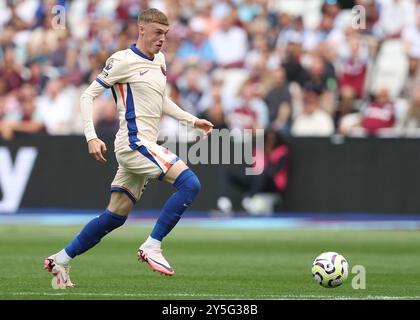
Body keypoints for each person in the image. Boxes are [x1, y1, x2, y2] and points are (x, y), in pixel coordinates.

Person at [43, 8, 213, 289]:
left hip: (144, 143)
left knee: (114, 217)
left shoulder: (159, 59)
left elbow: (161, 100)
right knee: (190, 184)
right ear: (142, 30)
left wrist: (192, 121)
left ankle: (60, 259)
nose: (162, 39)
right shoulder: (122, 60)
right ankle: (152, 245)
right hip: (133, 143)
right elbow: (88, 95)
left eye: (166, 34)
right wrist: (91, 136)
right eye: (158, 33)